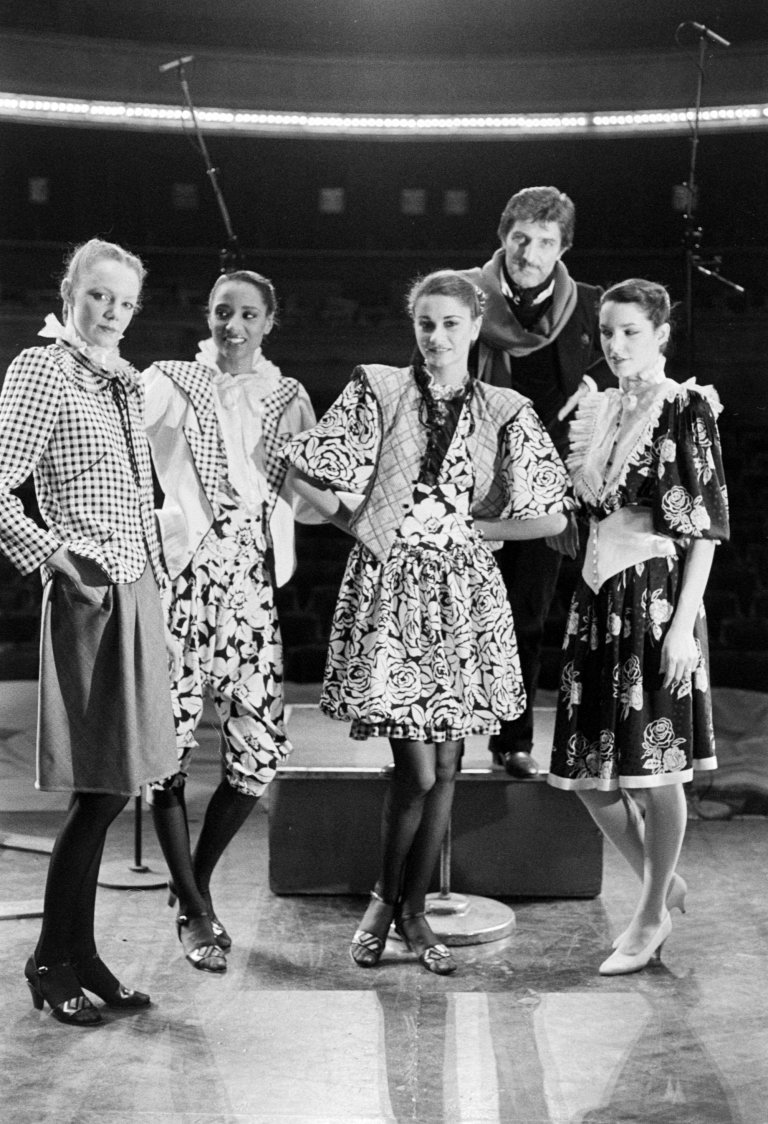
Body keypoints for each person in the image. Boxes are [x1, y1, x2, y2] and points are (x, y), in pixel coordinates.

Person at [283, 270, 570, 974]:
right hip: (392, 590)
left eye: (450, 324)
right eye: (425, 323)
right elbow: (303, 471)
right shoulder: (378, 389)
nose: (436, 337)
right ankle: (384, 901)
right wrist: (363, 523)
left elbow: (552, 515)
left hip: (463, 597)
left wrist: (474, 527)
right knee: (414, 768)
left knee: (447, 765)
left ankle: (411, 912)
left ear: (475, 327)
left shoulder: (505, 407)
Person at [0, 238, 179, 1026]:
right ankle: (50, 959)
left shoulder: (122, 381)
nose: (111, 312)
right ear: (70, 292)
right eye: (99, 295)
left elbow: (139, 501)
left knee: (116, 786)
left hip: (136, 590)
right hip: (89, 592)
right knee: (98, 790)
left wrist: (158, 598)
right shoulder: (42, 370)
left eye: (125, 302)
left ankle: (81, 954)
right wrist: (55, 558)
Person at [547, 279, 729, 975]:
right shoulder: (599, 409)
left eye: (630, 331)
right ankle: (662, 883)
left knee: (655, 774)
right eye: (607, 332)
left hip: (653, 600)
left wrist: (682, 629)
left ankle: (650, 915)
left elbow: (704, 529)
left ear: (660, 334)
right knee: (593, 779)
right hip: (597, 601)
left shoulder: (685, 407)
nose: (616, 344)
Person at [143, 269, 316, 973]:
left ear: (270, 321)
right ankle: (193, 908)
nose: (233, 326)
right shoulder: (170, 380)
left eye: (248, 314)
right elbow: (121, 450)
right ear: (207, 316)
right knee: (167, 748)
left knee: (258, 752)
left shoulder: (289, 397)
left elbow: (311, 497)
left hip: (250, 583)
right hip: (183, 579)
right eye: (222, 312)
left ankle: (196, 883)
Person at [464, 185, 614, 778]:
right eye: (520, 238)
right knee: (454, 613)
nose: (529, 253)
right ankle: (441, 734)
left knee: (526, 616)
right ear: (503, 237)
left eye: (544, 242)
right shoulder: (463, 294)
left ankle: (513, 741)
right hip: (467, 480)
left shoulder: (592, 305)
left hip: (544, 491)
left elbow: (628, 367)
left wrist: (595, 386)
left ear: (562, 248)